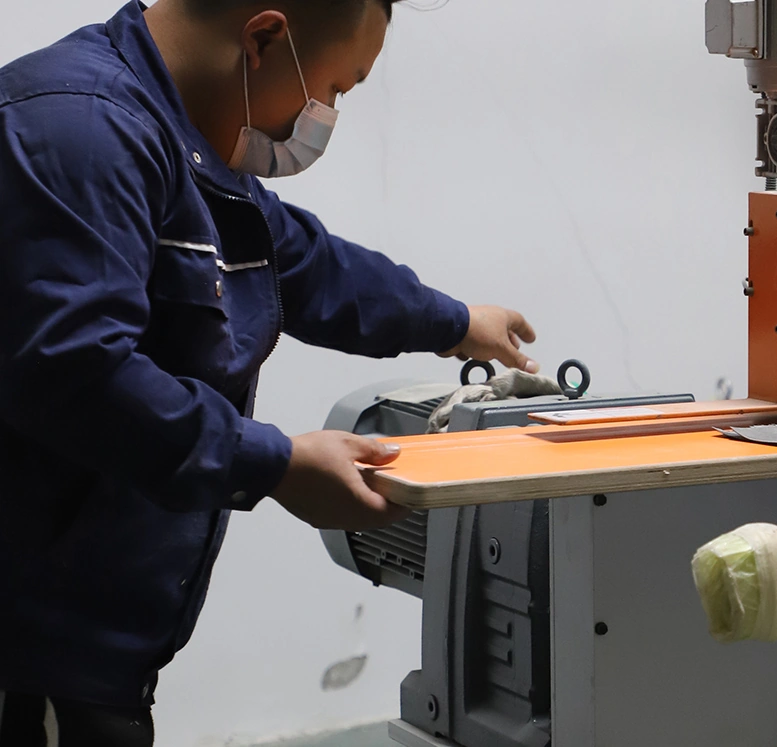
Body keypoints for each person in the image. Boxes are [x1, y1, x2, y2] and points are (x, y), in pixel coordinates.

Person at [0, 1, 537, 743]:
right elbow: (80, 376)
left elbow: (305, 264)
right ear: (263, 38)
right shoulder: (80, 131)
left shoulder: (184, 142)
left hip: (95, 658)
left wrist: (455, 322)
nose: (326, 116)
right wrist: (277, 464)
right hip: (31, 663)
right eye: (335, 89)